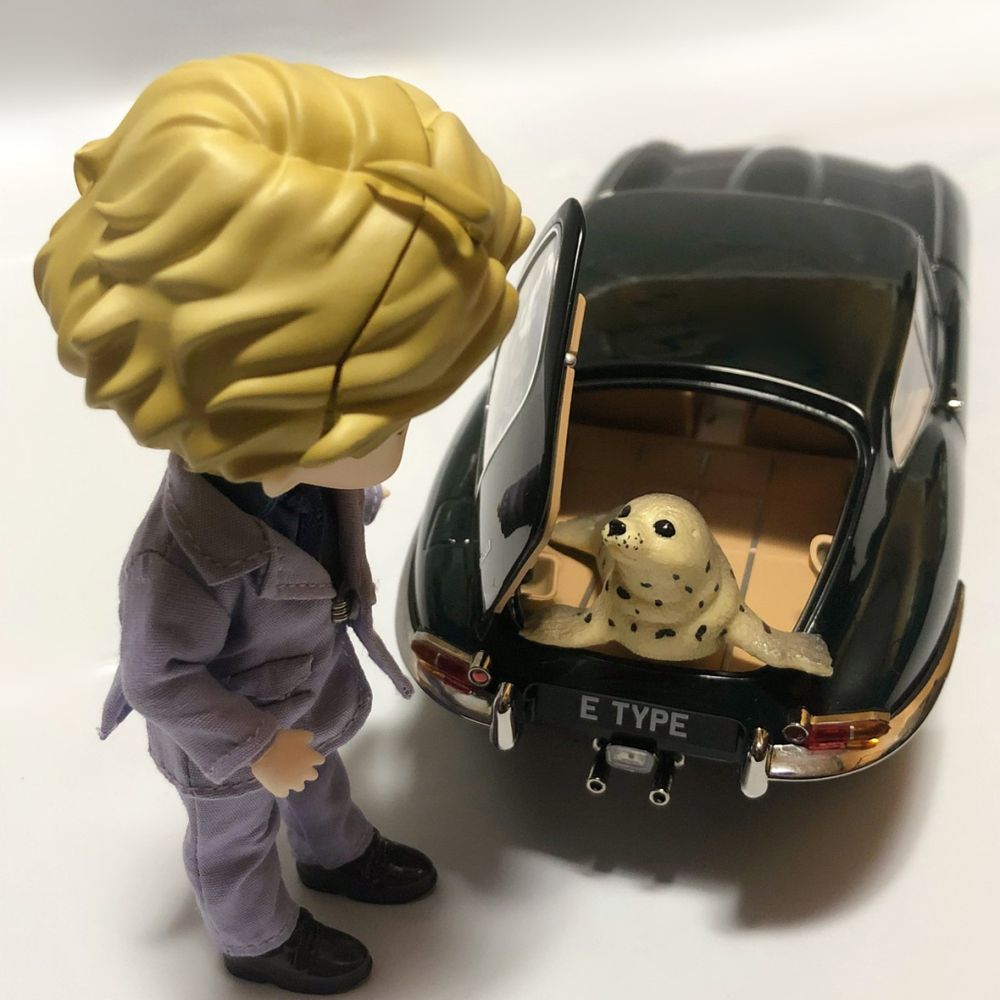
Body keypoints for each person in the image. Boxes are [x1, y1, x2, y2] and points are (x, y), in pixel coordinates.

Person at [34, 53, 533, 994]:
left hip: (307, 698)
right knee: (234, 839)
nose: (397, 439)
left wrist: (358, 511)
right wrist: (257, 746)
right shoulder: (178, 561)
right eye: (380, 420)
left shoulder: (301, 482)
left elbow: (316, 537)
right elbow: (156, 675)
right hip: (229, 747)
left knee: (322, 781)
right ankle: (255, 937)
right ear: (256, 413)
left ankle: (337, 855)